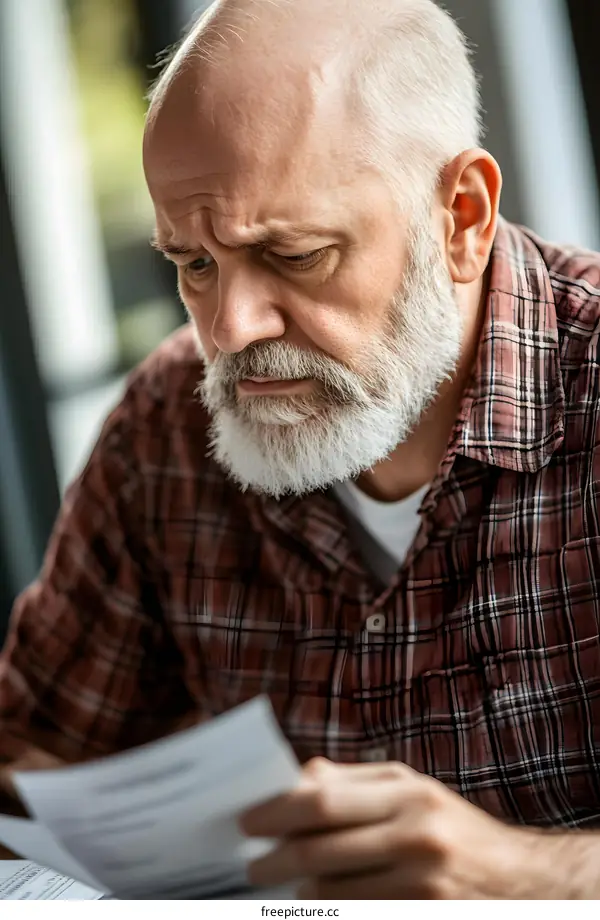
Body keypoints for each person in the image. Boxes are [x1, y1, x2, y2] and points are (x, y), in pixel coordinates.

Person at [2, 0, 600, 899]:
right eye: (194, 265)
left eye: (294, 253)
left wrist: (535, 876)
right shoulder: (167, 428)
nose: (231, 330)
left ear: (462, 218)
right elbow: (33, 751)